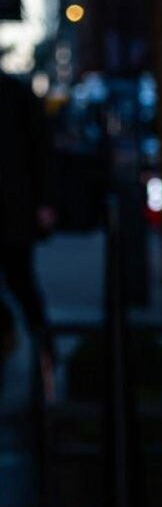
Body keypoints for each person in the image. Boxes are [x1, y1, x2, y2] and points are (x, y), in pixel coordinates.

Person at [0, 71, 56, 388]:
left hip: (14, 210)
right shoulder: (17, 94)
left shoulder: (17, 94)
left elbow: (41, 149)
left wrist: (44, 202)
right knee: (21, 282)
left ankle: (44, 351)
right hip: (16, 209)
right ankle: (40, 349)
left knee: (21, 281)